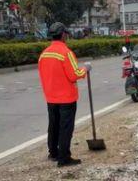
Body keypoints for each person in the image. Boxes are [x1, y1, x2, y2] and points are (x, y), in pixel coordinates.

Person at [38, 22, 91, 167]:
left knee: (53, 125)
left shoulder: (44, 54)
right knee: (65, 128)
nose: (66, 36)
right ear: (62, 35)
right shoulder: (66, 53)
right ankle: (64, 158)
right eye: (66, 34)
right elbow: (74, 75)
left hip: (51, 97)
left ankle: (53, 153)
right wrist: (86, 69)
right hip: (66, 98)